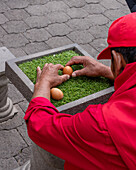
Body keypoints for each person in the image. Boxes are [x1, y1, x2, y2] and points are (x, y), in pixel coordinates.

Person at [24, 12, 136, 170]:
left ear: (117, 61)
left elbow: (39, 126)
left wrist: (43, 83)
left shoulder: (102, 124)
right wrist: (107, 71)